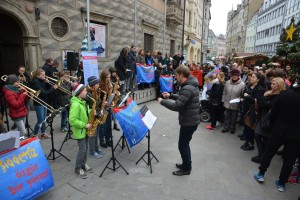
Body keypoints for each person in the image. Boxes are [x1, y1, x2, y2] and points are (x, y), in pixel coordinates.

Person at [254, 76, 300, 192]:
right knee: (289, 159)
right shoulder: (285, 94)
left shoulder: (285, 95)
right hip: (296, 135)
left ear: (296, 81)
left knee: (269, 152)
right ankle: (281, 183)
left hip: (278, 130)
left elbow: (273, 113)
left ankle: (261, 174)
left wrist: (273, 127)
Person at [158, 65, 200, 176]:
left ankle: (186, 168)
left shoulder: (187, 87)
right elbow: (183, 97)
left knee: (183, 145)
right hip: (190, 120)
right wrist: (170, 95)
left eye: (176, 75)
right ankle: (186, 164)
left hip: (189, 121)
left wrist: (162, 101)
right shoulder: (190, 85)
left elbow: (177, 106)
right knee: (184, 144)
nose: (175, 77)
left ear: (181, 75)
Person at [251, 77, 286, 163]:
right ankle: (261, 155)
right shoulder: (270, 93)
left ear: (279, 86)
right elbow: (261, 103)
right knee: (257, 135)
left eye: (274, 84)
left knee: (264, 138)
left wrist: (264, 97)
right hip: (263, 117)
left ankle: (262, 157)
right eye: (272, 83)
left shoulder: (280, 96)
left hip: (271, 120)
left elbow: (267, 105)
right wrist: (265, 97)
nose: (272, 85)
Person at [69, 84, 94, 179]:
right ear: (79, 93)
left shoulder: (83, 102)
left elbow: (86, 113)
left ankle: (84, 164)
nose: (86, 92)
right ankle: (77, 168)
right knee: (82, 149)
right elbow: (72, 120)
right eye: (84, 91)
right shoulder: (75, 104)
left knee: (86, 148)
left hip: (85, 129)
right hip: (80, 130)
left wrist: (92, 111)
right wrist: (84, 125)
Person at [30, 69, 58, 138]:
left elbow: (47, 89)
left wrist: (48, 82)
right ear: (37, 75)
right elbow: (44, 93)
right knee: (40, 120)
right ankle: (35, 134)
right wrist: (53, 89)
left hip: (44, 101)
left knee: (44, 119)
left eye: (44, 74)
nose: (44, 76)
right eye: (42, 75)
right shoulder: (35, 82)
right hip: (38, 103)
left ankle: (43, 133)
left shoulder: (42, 81)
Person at [222, 69, 245, 134]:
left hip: (236, 103)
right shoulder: (227, 82)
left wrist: (240, 100)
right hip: (227, 102)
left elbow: (242, 94)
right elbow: (224, 92)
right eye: (233, 75)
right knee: (227, 116)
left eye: (236, 75)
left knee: (234, 117)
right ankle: (226, 128)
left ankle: (232, 128)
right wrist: (223, 100)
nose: (234, 76)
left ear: (238, 76)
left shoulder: (242, 84)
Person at [99, 69, 113, 148]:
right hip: (102, 107)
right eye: (108, 77)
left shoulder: (109, 84)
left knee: (108, 124)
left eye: (109, 77)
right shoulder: (100, 86)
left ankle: (108, 139)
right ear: (104, 77)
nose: (109, 79)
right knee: (102, 125)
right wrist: (103, 103)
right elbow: (98, 98)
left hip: (108, 106)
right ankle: (102, 140)